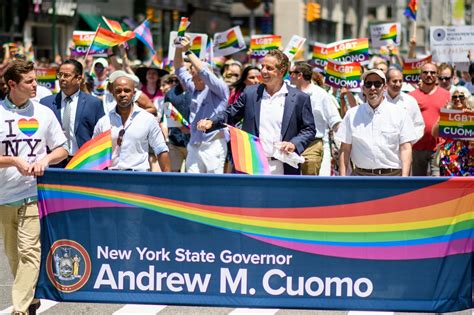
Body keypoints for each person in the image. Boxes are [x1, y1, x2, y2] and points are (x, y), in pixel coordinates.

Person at [0, 60, 69, 315]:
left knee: (30, 252)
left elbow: (63, 149)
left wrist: (45, 159)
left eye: (35, 80)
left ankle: (18, 309)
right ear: (11, 85)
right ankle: (30, 300)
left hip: (33, 194)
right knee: (13, 257)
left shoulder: (43, 113)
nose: (35, 85)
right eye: (29, 81)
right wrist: (12, 160)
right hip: (3, 197)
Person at [197, 49, 316, 175]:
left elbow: (309, 129)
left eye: (269, 68)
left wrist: (294, 144)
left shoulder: (299, 98)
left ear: (281, 71)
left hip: (284, 166)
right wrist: (211, 122)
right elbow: (230, 114)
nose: (263, 71)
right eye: (262, 67)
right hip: (252, 165)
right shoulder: (250, 93)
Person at [336, 69, 416, 176]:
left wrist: (404, 179)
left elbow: (406, 148)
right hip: (361, 177)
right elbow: (345, 149)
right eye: (368, 84)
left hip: (393, 177)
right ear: (363, 89)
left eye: (377, 84)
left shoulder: (400, 113)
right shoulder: (352, 115)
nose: (372, 88)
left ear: (384, 88)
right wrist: (342, 178)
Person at [93, 73, 170, 172]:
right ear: (113, 93)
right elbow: (95, 154)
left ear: (134, 93)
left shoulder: (148, 119)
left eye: (127, 90)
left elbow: (161, 149)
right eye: (118, 91)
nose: (122, 94)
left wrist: (169, 180)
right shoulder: (103, 122)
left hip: (139, 178)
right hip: (111, 178)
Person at [174, 36, 229, 173]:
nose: (192, 77)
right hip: (194, 144)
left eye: (196, 74)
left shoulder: (219, 89)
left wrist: (188, 52)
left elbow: (203, 71)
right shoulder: (193, 87)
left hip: (213, 144)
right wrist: (178, 48)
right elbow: (179, 69)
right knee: (192, 185)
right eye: (192, 74)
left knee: (214, 187)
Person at [40, 59, 104, 166]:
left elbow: (101, 135)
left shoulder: (94, 103)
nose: (62, 79)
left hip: (83, 163)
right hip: (54, 164)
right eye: (60, 75)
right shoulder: (46, 103)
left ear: (79, 78)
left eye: (66, 75)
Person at [289, 62, 341, 175]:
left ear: (299, 75)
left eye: (291, 73)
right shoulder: (288, 92)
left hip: (312, 144)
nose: (289, 76)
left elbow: (335, 121)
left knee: (309, 183)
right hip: (290, 144)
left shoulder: (321, 95)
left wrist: (344, 146)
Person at [409, 63, 451, 176]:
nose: (429, 75)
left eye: (432, 72)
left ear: (437, 75)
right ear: (420, 75)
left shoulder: (447, 95)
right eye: (425, 72)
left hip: (439, 148)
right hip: (417, 147)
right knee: (417, 186)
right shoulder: (411, 97)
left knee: (437, 185)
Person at [432, 87, 474, 176]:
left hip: (469, 156)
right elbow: (434, 133)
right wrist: (442, 117)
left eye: (461, 97)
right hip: (449, 158)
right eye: (454, 97)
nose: (457, 99)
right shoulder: (448, 114)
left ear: (467, 98)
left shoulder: (472, 114)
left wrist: (469, 115)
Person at [385, 68, 425, 142]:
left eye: (400, 81)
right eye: (394, 81)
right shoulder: (379, 100)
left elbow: (419, 125)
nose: (398, 84)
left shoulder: (410, 101)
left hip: (404, 148)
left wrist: (409, 142)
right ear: (387, 82)